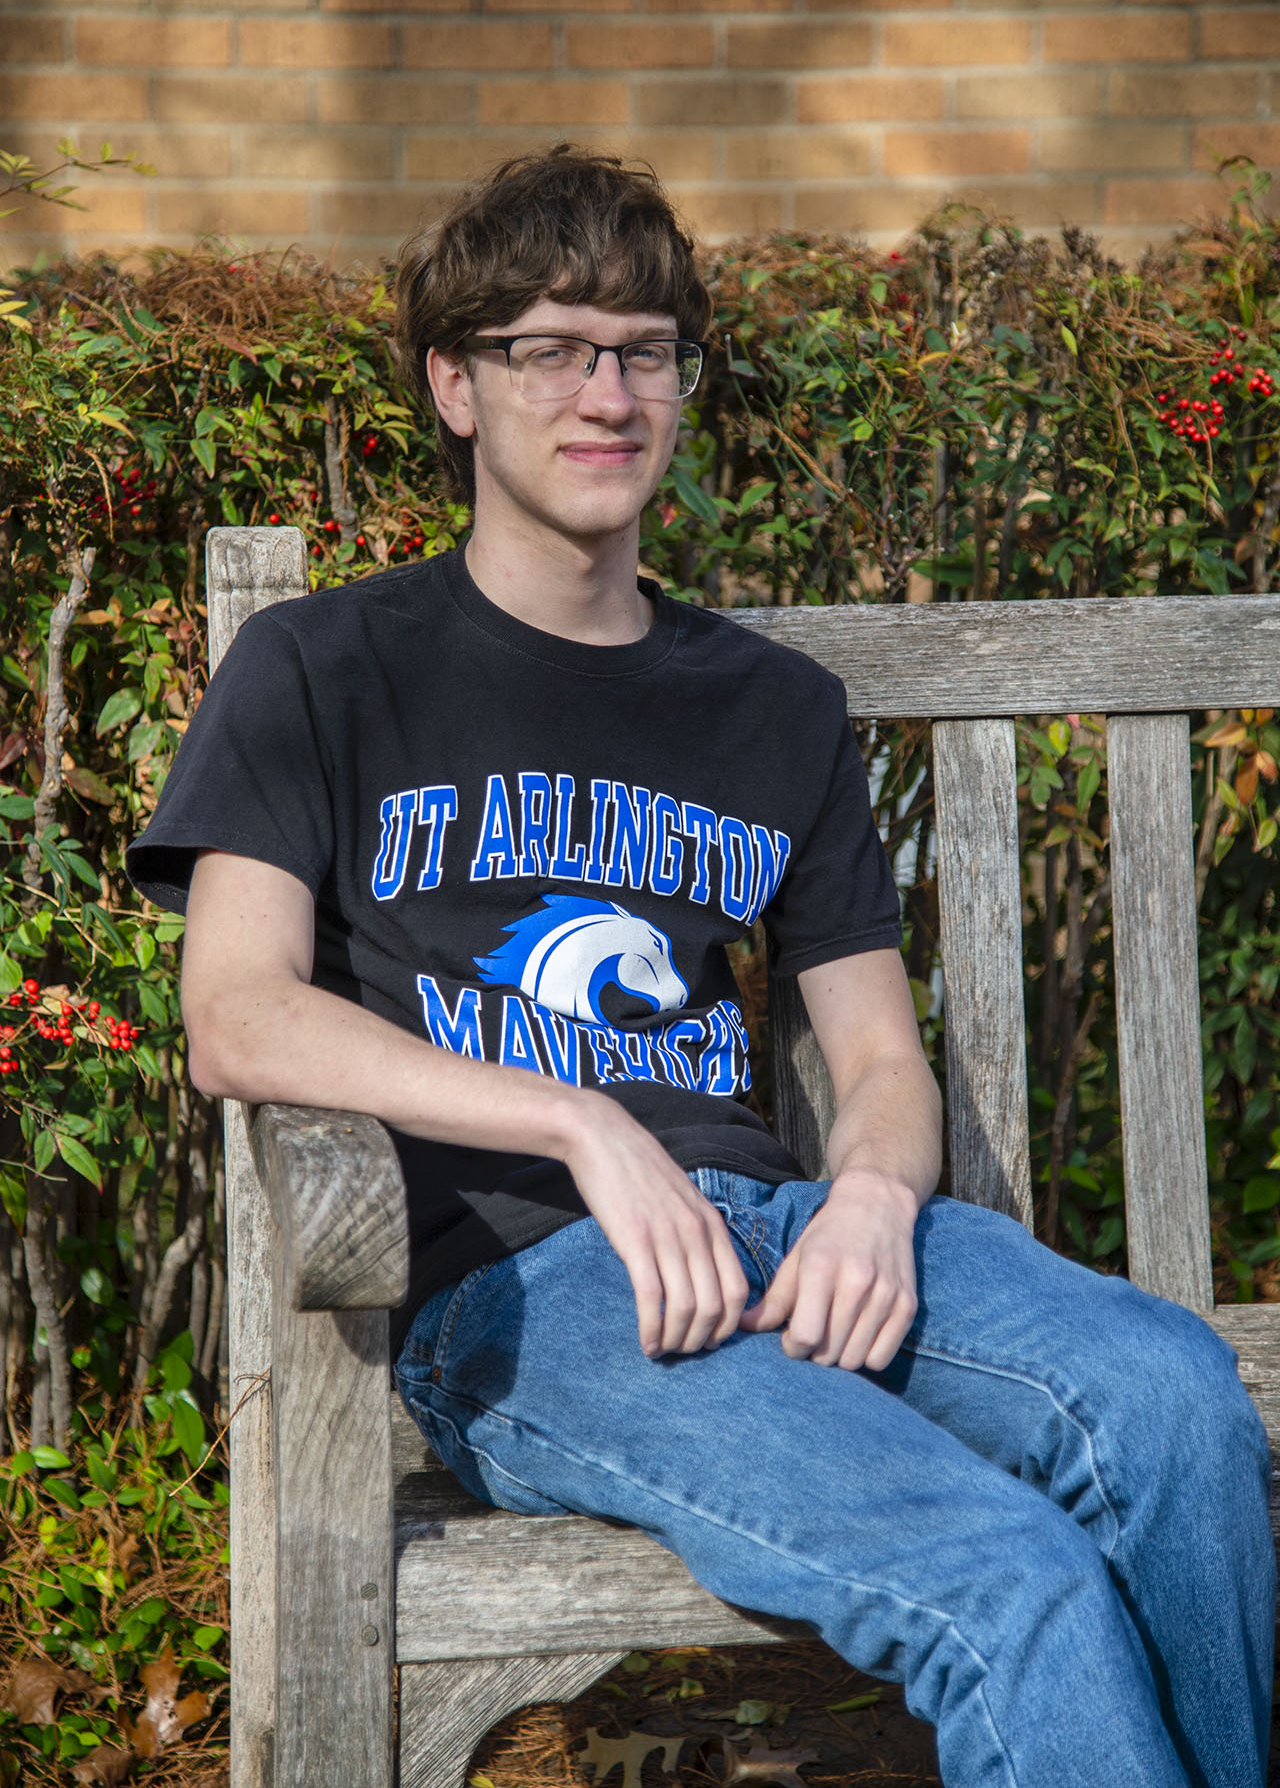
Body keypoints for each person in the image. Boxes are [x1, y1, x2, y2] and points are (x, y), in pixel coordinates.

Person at [127, 147, 1274, 1788]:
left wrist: (874, 1203)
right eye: (551, 349)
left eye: (645, 350)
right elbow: (234, 1014)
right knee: (1002, 1573)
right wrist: (584, 1129)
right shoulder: (326, 664)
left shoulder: (772, 706)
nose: (607, 393)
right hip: (525, 1290)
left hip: (786, 1235)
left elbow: (877, 1064)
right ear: (456, 386)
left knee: (1173, 1407)